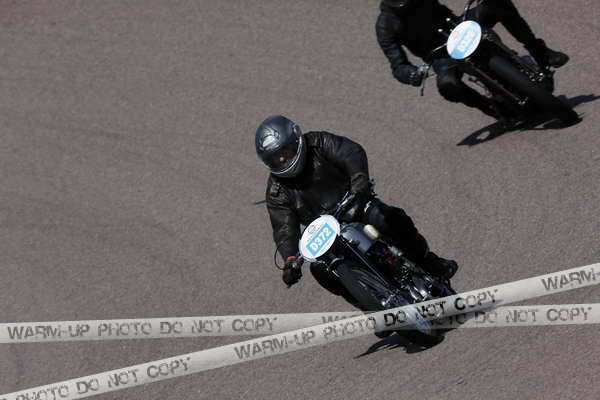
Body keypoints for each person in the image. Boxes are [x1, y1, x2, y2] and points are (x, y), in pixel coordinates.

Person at [256, 115, 458, 299]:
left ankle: (429, 262)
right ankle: (371, 308)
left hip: (355, 205)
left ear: (296, 139)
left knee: (388, 218)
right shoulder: (276, 191)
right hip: (326, 237)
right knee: (321, 272)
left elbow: (349, 152)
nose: (282, 159)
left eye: (285, 152)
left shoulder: (318, 142)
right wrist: (290, 259)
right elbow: (284, 228)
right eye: (275, 157)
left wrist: (359, 179)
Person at [376, 0, 569, 119]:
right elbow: (398, 66)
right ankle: (492, 108)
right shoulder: (384, 25)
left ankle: (541, 53)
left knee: (496, 4)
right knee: (448, 85)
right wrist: (412, 74)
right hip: (440, 56)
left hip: (459, 27)